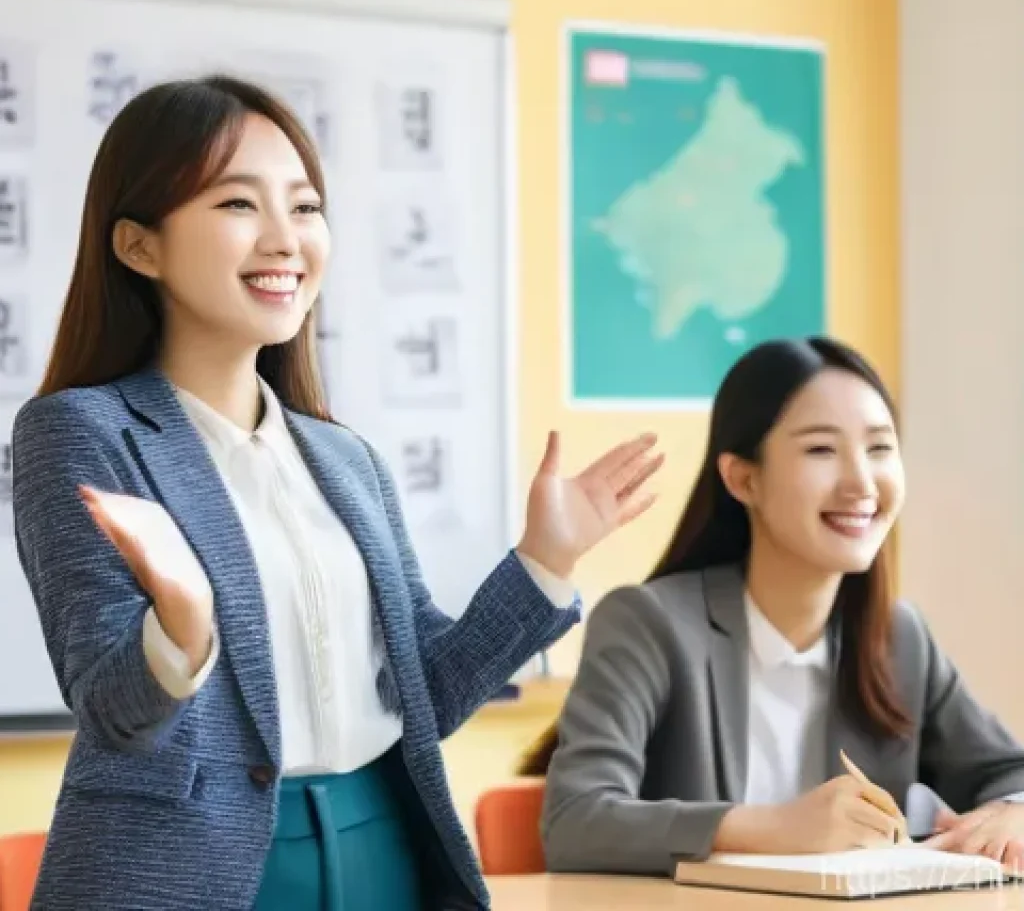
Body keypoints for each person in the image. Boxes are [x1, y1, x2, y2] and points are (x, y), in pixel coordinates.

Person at [11, 75, 664, 911]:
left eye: (306, 208)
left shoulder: (343, 459)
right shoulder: (81, 431)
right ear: (140, 247)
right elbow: (112, 707)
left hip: (381, 842)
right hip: (192, 871)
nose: (286, 240)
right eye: (239, 206)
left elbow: (423, 693)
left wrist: (546, 559)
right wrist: (179, 629)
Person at [521, 336, 1024, 878]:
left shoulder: (898, 637)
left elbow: (1006, 772)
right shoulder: (649, 624)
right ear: (744, 478)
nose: (861, 483)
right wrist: (773, 827)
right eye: (821, 450)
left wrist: (1013, 813)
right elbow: (575, 821)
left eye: (879, 448)